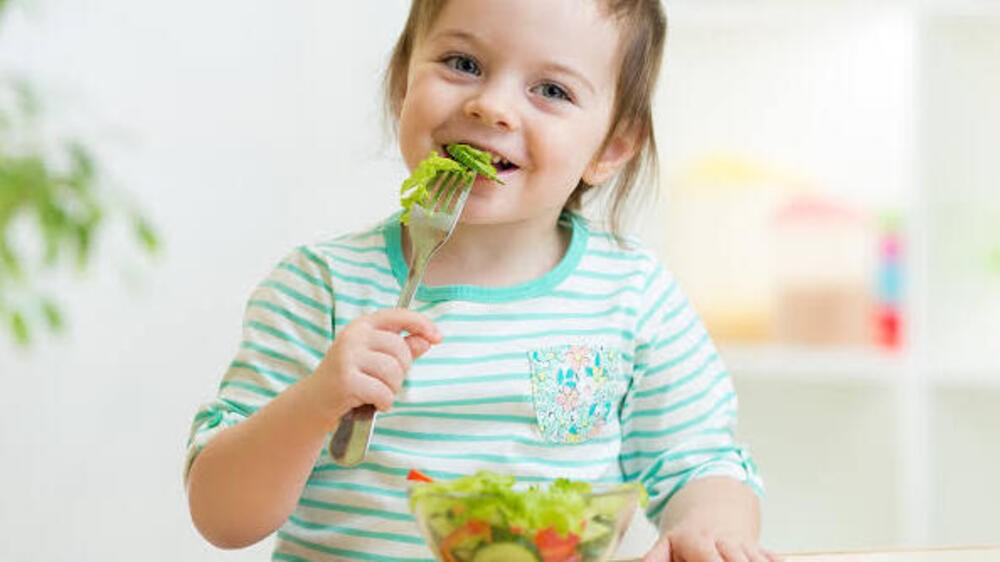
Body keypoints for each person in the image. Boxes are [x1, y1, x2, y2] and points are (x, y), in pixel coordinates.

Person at [185, 1, 775, 561]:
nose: (490, 106)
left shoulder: (633, 298)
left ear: (612, 147)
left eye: (551, 90)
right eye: (463, 64)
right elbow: (223, 515)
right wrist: (315, 402)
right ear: (401, 85)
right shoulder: (319, 288)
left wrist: (710, 531)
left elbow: (700, 463)